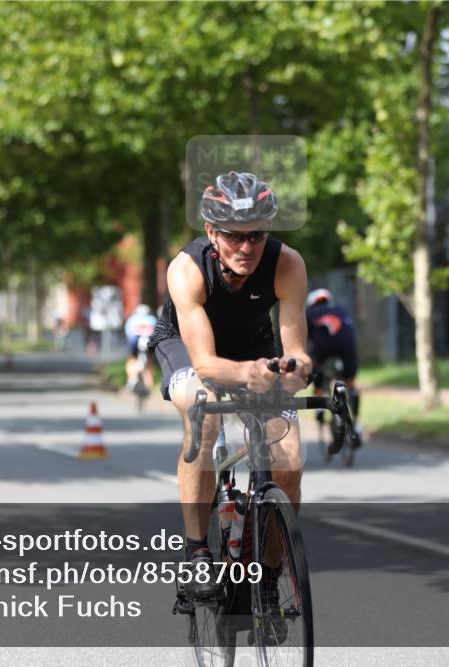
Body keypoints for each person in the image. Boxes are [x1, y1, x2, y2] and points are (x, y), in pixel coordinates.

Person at [149, 171, 311, 601]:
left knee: (290, 460)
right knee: (202, 412)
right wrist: (246, 375)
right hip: (186, 345)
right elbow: (204, 364)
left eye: (256, 236)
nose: (246, 247)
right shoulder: (187, 269)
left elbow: (295, 350)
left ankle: (270, 578)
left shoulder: (288, 263)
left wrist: (295, 370)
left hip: (254, 347)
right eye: (234, 236)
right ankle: (198, 550)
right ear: (210, 232)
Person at [305, 288, 362, 446]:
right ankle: (356, 424)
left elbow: (307, 338)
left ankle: (319, 405)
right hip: (346, 346)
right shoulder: (341, 310)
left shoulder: (309, 312)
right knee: (350, 383)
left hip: (323, 347)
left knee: (315, 367)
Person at [123, 303, 157, 391]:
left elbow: (128, 333)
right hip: (148, 342)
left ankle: (132, 379)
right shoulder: (152, 319)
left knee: (131, 359)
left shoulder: (132, 319)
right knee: (150, 362)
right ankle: (149, 384)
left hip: (136, 343)